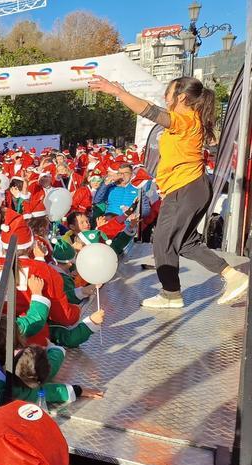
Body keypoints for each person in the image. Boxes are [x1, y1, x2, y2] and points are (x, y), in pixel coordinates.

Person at [89, 74, 248, 308]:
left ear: (181, 97)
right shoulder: (188, 120)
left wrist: (118, 93)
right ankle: (231, 276)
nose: (165, 97)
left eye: (168, 92)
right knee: (185, 243)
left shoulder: (186, 120)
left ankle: (170, 294)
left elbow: (150, 111)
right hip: (189, 189)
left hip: (186, 188)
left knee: (162, 242)